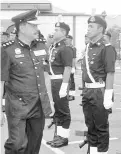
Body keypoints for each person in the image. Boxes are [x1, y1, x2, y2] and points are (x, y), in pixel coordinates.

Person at [1, 9, 54, 154]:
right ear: (22, 27)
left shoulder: (41, 46)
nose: (37, 29)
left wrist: (50, 101)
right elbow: (1, 80)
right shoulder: (8, 50)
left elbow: (46, 73)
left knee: (34, 144)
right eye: (33, 26)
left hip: (38, 104)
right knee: (17, 144)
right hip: (18, 105)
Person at [81, 15, 116, 154]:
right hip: (88, 91)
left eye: (91, 26)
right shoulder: (88, 46)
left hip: (99, 91)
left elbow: (110, 73)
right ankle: (93, 151)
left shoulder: (107, 48)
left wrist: (108, 95)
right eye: (88, 26)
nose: (88, 29)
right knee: (90, 125)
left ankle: (102, 152)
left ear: (100, 29)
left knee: (101, 126)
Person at [46, 22, 74, 148]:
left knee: (63, 111)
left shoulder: (65, 48)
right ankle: (58, 136)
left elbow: (68, 68)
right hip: (54, 81)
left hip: (60, 81)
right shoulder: (54, 47)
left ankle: (64, 137)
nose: (54, 32)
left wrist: (64, 86)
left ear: (63, 33)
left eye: (57, 30)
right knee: (57, 111)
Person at [65, 35, 77, 101]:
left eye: (67, 39)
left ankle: (72, 95)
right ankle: (66, 94)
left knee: (71, 81)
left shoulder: (73, 48)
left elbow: (74, 58)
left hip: (70, 66)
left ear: (70, 40)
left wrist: (73, 67)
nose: (66, 40)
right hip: (65, 67)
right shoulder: (64, 47)